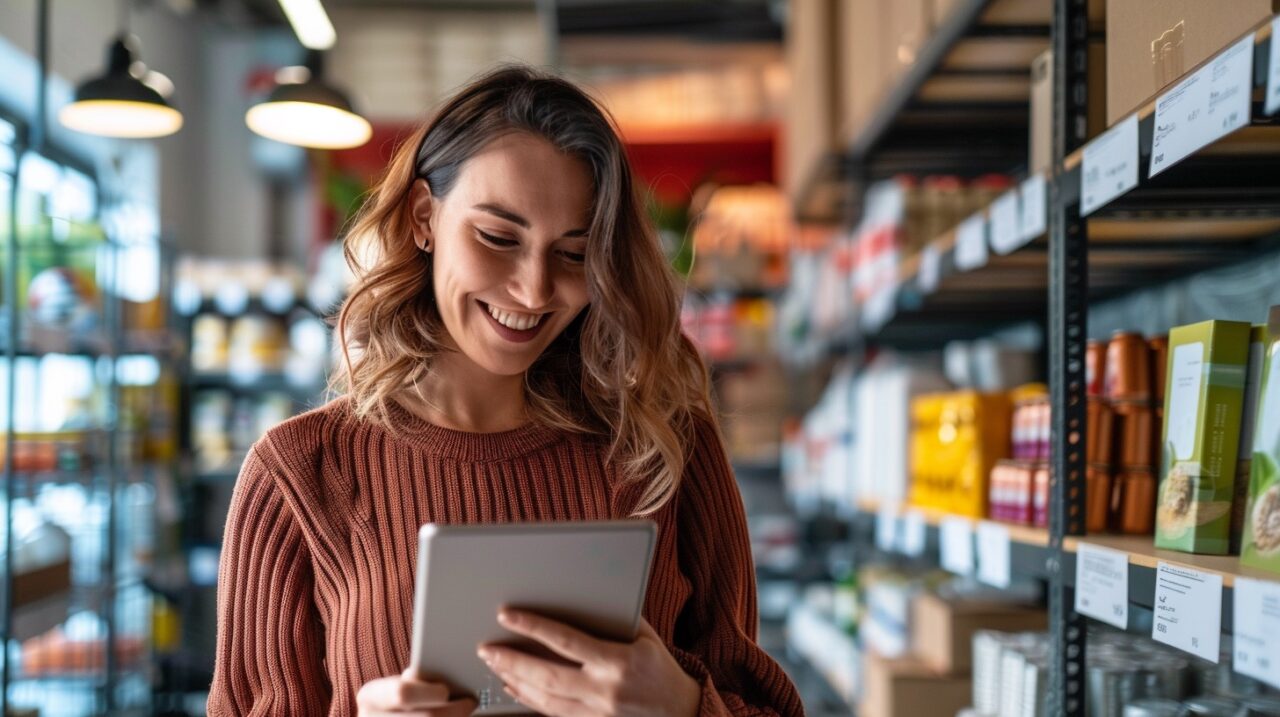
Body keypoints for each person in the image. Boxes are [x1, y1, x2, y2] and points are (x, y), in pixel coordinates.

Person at [207, 64, 804, 717]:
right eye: (498, 238)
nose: (534, 291)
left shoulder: (662, 442)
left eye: (573, 253)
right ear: (424, 217)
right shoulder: (299, 475)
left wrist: (687, 707)